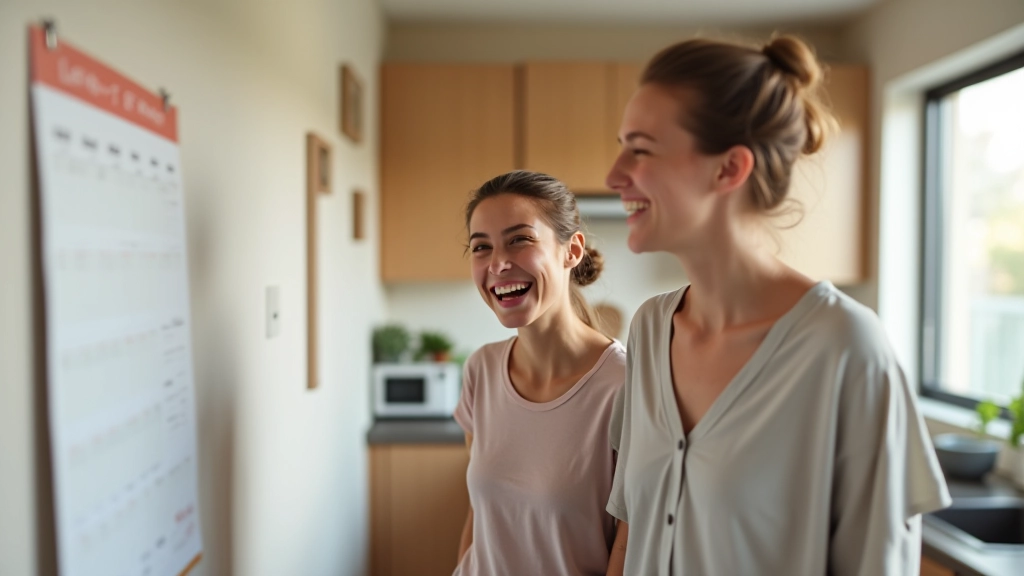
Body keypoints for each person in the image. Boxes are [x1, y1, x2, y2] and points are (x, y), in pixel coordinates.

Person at [603, 35, 951, 576]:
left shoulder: (844, 347)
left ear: (729, 169)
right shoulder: (650, 330)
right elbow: (632, 533)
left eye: (641, 148)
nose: (614, 174)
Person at [453, 170, 626, 576]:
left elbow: (629, 542)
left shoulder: (625, 386)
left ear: (572, 250)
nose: (498, 263)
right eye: (481, 247)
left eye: (520, 239)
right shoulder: (481, 370)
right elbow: (479, 516)